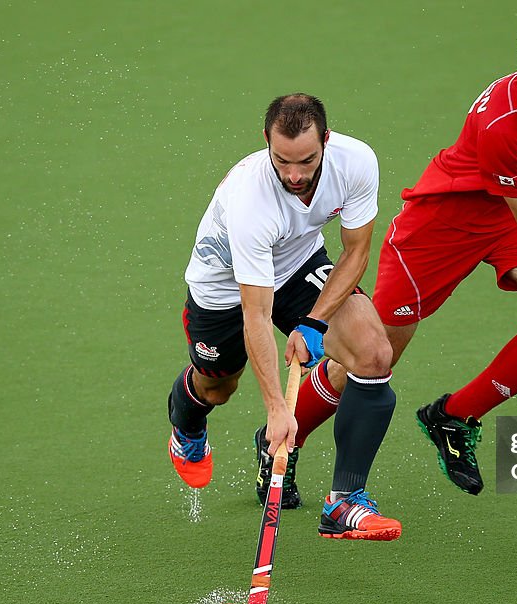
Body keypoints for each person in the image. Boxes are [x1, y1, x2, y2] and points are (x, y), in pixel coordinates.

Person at [266, 14, 517, 496]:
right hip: (442, 223)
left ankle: (453, 417)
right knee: (370, 357)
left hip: (513, 209)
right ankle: (281, 441)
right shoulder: (505, 126)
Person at [167, 93, 401, 541]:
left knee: (373, 354)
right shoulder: (250, 201)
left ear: (327, 141)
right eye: (282, 162)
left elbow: (356, 253)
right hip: (223, 290)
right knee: (218, 386)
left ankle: (345, 503)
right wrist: (277, 410)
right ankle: (187, 423)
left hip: (298, 264)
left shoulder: (356, 163)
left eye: (307, 161)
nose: (294, 175)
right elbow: (256, 313)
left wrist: (313, 323)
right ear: (266, 143)